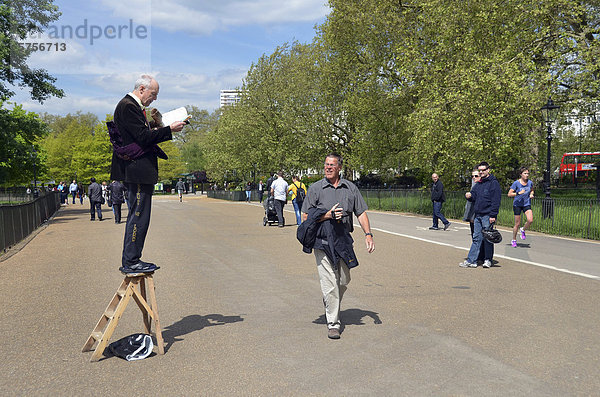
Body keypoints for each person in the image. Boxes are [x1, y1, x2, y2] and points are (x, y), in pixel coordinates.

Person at [110, 74, 185, 273]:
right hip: (138, 171)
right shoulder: (128, 106)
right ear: (141, 89)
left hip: (138, 171)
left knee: (139, 215)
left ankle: (132, 258)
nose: (155, 99)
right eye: (153, 94)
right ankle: (131, 260)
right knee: (138, 215)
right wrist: (168, 129)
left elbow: (136, 134)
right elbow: (142, 138)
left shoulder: (131, 107)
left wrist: (155, 125)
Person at [300, 153, 375, 340]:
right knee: (330, 284)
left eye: (332, 165)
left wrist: (368, 234)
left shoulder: (350, 188)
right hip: (322, 241)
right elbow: (305, 218)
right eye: (326, 164)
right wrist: (327, 216)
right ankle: (333, 323)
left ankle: (329, 301)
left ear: (339, 167)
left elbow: (361, 213)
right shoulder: (316, 188)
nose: (328, 167)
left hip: (343, 240)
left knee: (343, 280)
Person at [460, 161, 501, 268]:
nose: (481, 172)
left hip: (487, 215)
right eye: (480, 170)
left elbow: (496, 200)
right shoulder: (479, 184)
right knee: (476, 238)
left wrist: (493, 215)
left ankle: (488, 259)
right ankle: (471, 260)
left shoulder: (493, 183)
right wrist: (469, 195)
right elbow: (474, 195)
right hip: (478, 215)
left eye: (483, 170)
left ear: (488, 170)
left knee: (488, 238)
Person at [508, 167, 534, 248]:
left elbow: (532, 189)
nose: (527, 175)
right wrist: (518, 193)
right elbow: (509, 194)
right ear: (521, 174)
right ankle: (514, 239)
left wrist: (531, 194)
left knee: (530, 220)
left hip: (526, 204)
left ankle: (523, 229)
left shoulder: (530, 182)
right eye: (525, 173)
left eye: (528, 174)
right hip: (517, 205)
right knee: (517, 224)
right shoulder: (516, 183)